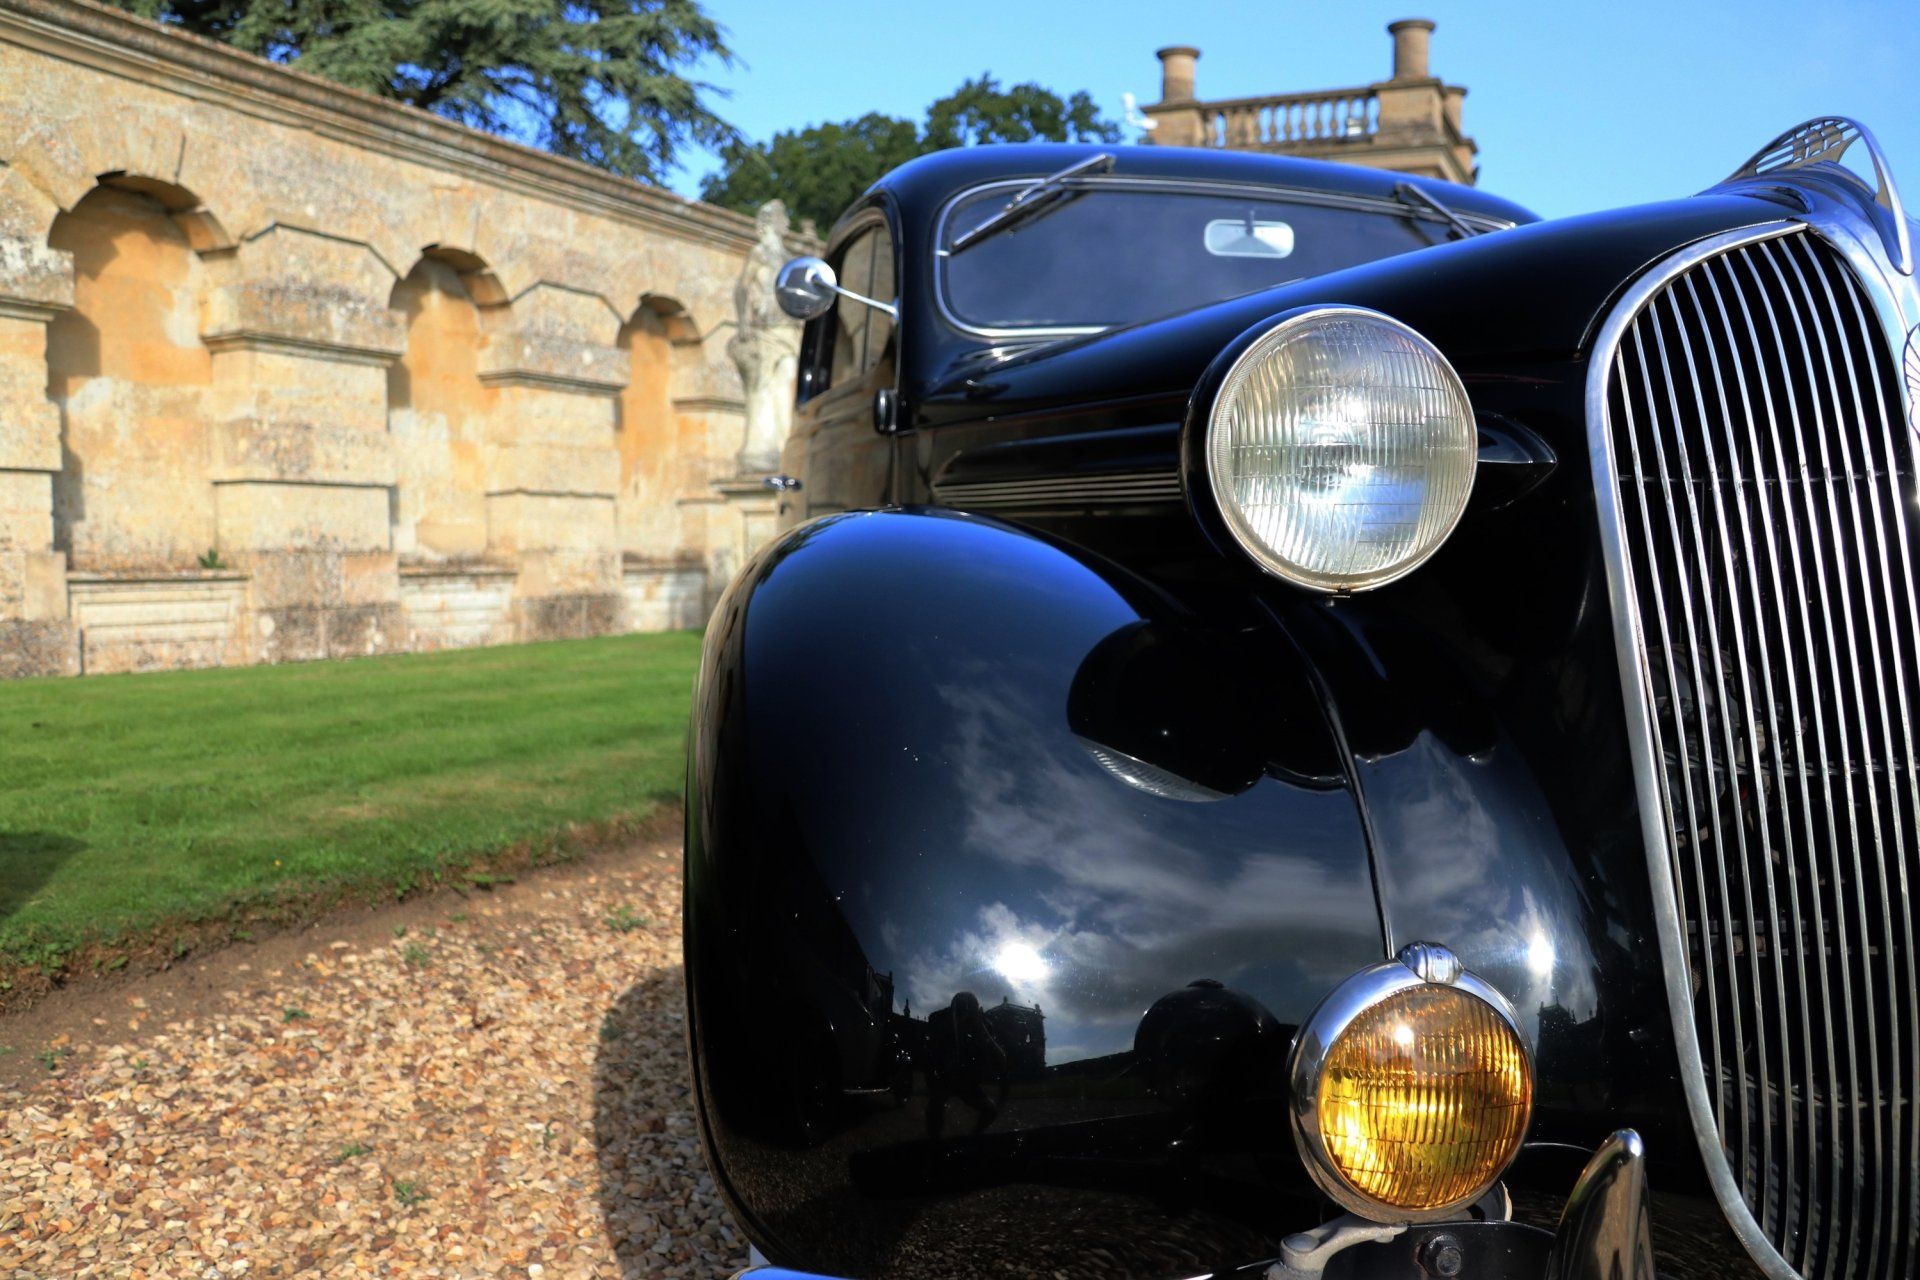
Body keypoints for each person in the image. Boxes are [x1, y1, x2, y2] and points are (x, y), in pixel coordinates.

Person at [922, 991, 1007, 1138]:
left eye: (968, 1012)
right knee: (936, 1103)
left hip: (966, 1079)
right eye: (960, 1010)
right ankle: (933, 1140)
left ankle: (972, 1137)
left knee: (991, 1111)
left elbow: (1001, 1059)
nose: (964, 1017)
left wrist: (980, 1026)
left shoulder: (982, 1024)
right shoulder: (938, 1019)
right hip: (943, 1074)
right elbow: (929, 1051)